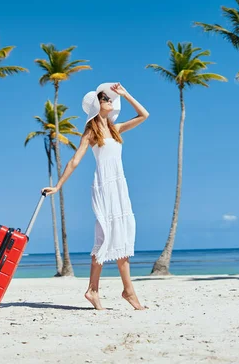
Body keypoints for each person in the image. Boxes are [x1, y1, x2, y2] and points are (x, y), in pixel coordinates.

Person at [42, 82, 149, 310]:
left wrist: (126, 93)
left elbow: (144, 115)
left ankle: (101, 290)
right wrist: (58, 186)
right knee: (108, 237)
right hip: (105, 188)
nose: (110, 100)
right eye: (105, 98)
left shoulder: (116, 129)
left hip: (120, 188)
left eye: (110, 98)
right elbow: (75, 160)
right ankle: (121, 291)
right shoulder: (91, 132)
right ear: (95, 106)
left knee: (118, 238)